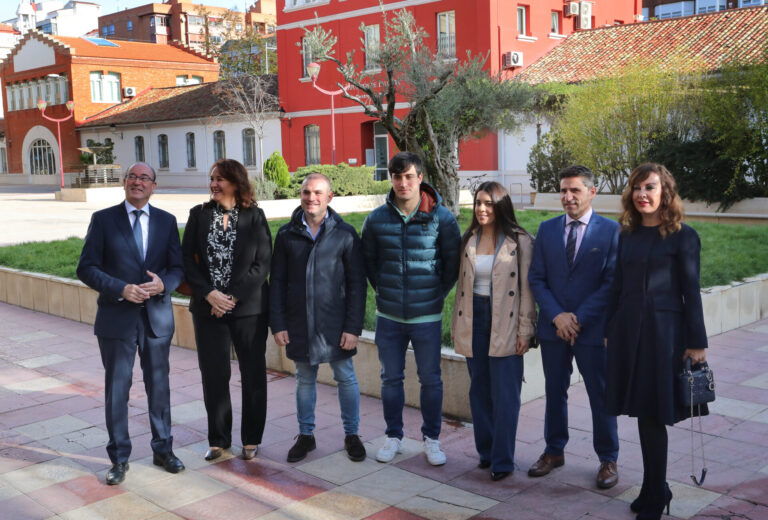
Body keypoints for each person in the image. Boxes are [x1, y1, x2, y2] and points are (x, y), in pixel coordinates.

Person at [605, 163, 708, 520]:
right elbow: (617, 286)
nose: (642, 194)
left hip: (665, 336)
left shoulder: (683, 235)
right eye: (636, 188)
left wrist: (696, 342)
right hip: (628, 332)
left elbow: (691, 292)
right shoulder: (626, 234)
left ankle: (657, 492)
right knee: (641, 413)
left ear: (665, 191)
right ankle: (654, 488)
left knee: (652, 415)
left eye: (649, 187)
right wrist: (609, 330)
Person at [77, 162, 185, 485]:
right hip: (116, 318)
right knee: (117, 390)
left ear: (154, 186)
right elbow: (86, 267)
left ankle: (163, 449)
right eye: (132, 177)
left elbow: (177, 268)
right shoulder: (104, 220)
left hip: (156, 319)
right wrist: (120, 288)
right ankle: (119, 458)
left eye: (144, 178)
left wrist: (164, 284)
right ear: (124, 183)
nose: (137, 182)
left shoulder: (166, 222)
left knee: (159, 387)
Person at [361, 151, 461, 466]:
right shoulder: (376, 219)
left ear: (420, 178)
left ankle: (432, 439)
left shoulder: (442, 218)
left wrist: (432, 296)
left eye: (409, 176)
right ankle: (394, 437)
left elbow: (451, 266)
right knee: (391, 378)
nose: (403, 183)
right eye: (397, 176)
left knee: (430, 379)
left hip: (427, 317)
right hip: (389, 317)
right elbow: (371, 265)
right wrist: (389, 293)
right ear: (391, 178)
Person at [527, 165, 620, 489]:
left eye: (575, 190)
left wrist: (577, 318)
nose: (567, 197)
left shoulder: (610, 231)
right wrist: (557, 316)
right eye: (563, 190)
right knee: (554, 392)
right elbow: (536, 277)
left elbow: (611, 283)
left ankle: (608, 458)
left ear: (592, 192)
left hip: (592, 330)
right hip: (554, 328)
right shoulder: (547, 229)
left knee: (601, 394)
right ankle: (554, 451)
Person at [270, 173, 367, 463]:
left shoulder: (346, 234)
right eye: (306, 192)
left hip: (336, 324)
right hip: (299, 323)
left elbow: (357, 285)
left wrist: (353, 327)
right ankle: (306, 436)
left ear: (329, 197)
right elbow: (276, 282)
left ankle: (352, 434)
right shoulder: (287, 234)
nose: (311, 198)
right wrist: (279, 323)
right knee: (304, 378)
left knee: (345, 377)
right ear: (300, 195)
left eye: (317, 193)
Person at [181, 159, 271, 462]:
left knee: (253, 374)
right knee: (214, 375)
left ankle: (251, 439)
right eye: (212, 179)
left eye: (220, 179)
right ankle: (219, 439)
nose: (214, 184)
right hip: (208, 310)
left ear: (236, 182)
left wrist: (230, 298)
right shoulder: (199, 215)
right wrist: (209, 294)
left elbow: (262, 264)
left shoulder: (255, 216)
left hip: (248, 310)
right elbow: (187, 262)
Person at [451, 182, 536, 481]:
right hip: (474, 317)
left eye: (488, 203)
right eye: (478, 203)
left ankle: (503, 461)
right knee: (479, 391)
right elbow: (461, 287)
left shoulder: (520, 241)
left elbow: (528, 289)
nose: (482, 209)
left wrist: (525, 330)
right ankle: (486, 453)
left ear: (500, 206)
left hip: (506, 321)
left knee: (506, 395)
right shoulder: (469, 238)